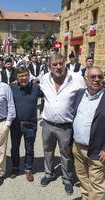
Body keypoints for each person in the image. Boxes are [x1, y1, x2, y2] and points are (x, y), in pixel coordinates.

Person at [39, 53, 85, 195]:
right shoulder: (44, 79)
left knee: (66, 153)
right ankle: (49, 173)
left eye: (60, 63)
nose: (58, 67)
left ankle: (67, 179)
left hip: (65, 126)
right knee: (48, 150)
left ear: (64, 63)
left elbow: (82, 99)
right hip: (47, 124)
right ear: (49, 66)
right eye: (54, 64)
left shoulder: (76, 79)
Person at [72, 66, 105, 200]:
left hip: (98, 150)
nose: (96, 80)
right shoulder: (80, 94)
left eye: (100, 77)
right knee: (84, 179)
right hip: (78, 148)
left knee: (97, 185)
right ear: (86, 79)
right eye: (93, 77)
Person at [9, 66, 43, 182]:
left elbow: (50, 94)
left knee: (29, 149)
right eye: (20, 76)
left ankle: (28, 169)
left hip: (31, 124)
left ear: (29, 76)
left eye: (25, 75)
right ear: (17, 78)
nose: (23, 78)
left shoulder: (36, 87)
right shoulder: (11, 87)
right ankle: (15, 167)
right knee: (14, 148)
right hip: (15, 124)